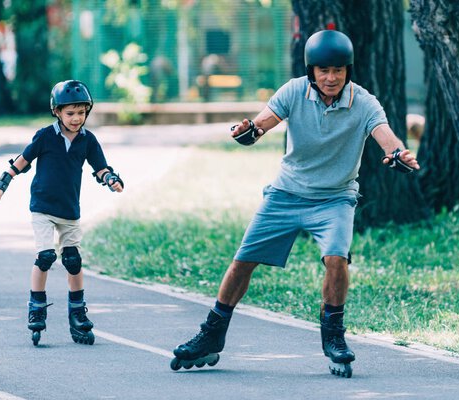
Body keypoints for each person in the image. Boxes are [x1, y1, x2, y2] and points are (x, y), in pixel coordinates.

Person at [170, 30, 419, 377]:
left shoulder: (363, 102)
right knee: (243, 262)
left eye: (338, 70)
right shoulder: (293, 91)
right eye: (323, 71)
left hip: (335, 198)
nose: (331, 78)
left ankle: (333, 335)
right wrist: (247, 131)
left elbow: (385, 136)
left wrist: (396, 153)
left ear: (347, 70)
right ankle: (211, 334)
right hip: (286, 193)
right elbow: (259, 126)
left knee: (337, 259)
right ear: (311, 72)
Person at [0, 80, 124, 346]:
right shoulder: (45, 136)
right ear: (57, 112)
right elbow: (23, 160)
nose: (76, 118)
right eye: (70, 113)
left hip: (69, 210)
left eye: (81, 112)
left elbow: (100, 167)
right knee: (46, 255)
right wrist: (3, 181)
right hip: (43, 208)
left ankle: (77, 313)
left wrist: (111, 179)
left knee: (72, 260)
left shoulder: (88, 140)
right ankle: (36, 306)